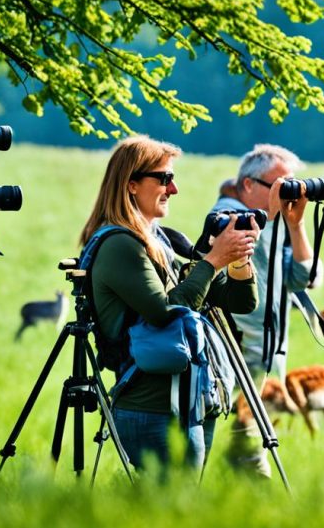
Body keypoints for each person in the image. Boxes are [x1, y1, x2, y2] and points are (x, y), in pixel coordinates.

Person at [77, 135, 259, 472]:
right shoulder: (120, 244)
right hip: (152, 407)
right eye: (164, 178)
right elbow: (165, 312)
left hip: (185, 401)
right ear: (131, 184)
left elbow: (241, 300)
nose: (172, 189)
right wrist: (214, 259)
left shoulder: (160, 240)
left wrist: (238, 256)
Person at [211, 144, 324, 477]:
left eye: (290, 185)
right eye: (278, 186)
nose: (286, 194)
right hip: (235, 352)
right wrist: (276, 220)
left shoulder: (274, 226)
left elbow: (306, 277)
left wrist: (297, 225)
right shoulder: (228, 218)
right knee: (246, 456)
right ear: (249, 185)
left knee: (244, 450)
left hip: (265, 356)